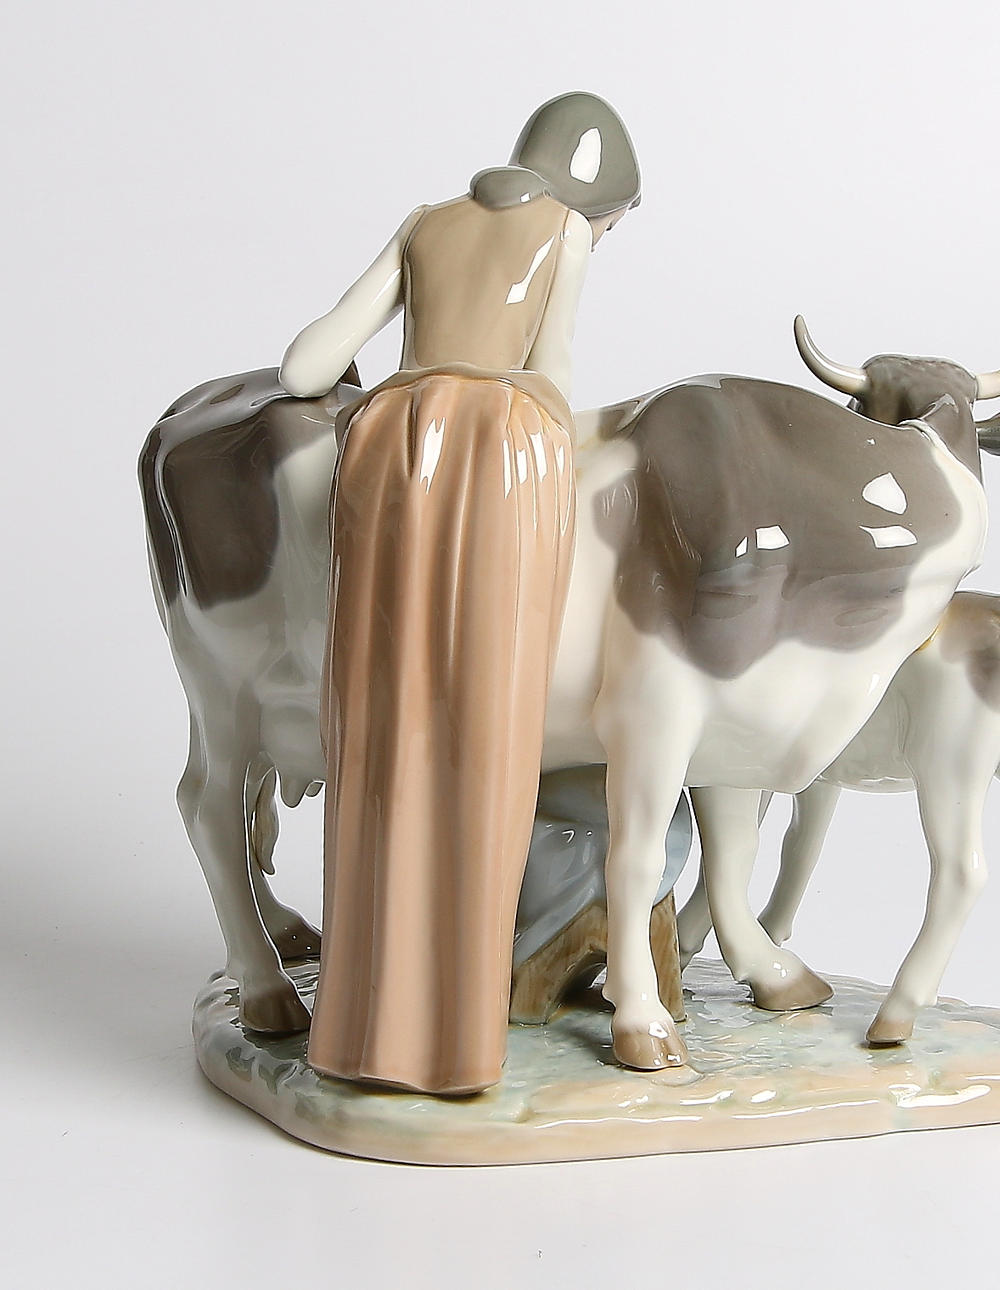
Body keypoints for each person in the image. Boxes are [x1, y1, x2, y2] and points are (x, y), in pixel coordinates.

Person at [278, 92, 640, 1095]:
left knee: (382, 728)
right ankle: (451, 1043)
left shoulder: (424, 221)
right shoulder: (565, 229)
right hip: (500, 461)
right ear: (602, 200)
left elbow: (305, 365)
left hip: (385, 453)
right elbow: (553, 374)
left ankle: (360, 1031)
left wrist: (409, 390)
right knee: (483, 732)